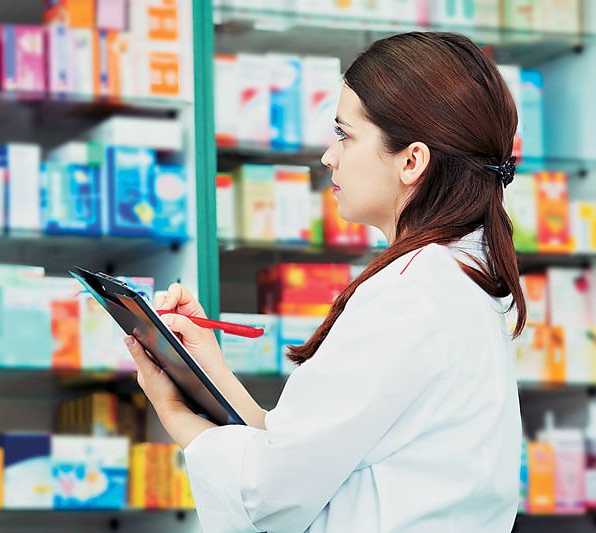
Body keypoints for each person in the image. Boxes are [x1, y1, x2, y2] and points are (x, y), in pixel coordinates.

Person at [124, 31, 525, 532]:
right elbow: (303, 449)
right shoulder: (456, 275)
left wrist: (171, 410)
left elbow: (267, 492)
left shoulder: (408, 295)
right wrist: (210, 366)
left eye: (345, 135)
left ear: (411, 161)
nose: (329, 157)